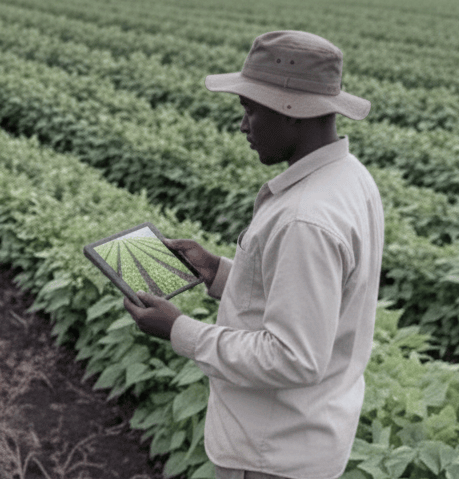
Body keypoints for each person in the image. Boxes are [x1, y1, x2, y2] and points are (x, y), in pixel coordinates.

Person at [124, 30, 385, 479]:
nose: (242, 125)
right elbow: (307, 296)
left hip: (271, 456)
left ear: (292, 114)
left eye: (249, 111)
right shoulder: (349, 178)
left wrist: (179, 330)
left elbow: (292, 357)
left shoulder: (306, 218)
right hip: (303, 437)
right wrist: (217, 272)